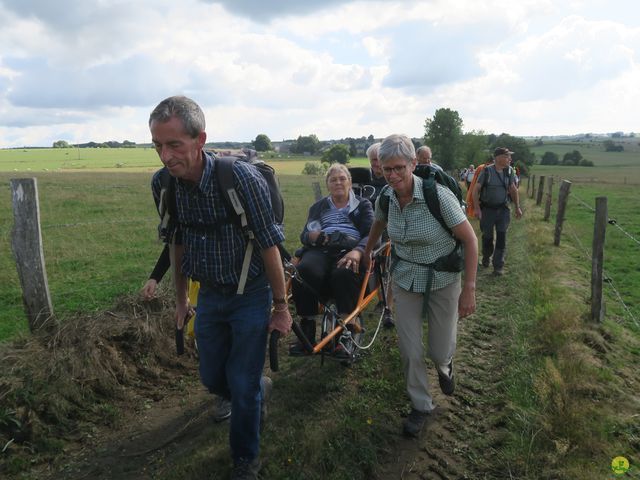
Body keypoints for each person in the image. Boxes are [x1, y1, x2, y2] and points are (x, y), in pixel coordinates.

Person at [148, 95, 292, 479]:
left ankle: (245, 460)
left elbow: (268, 243)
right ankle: (256, 392)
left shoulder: (239, 178)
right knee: (212, 377)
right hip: (209, 295)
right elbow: (176, 243)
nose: (165, 156)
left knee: (241, 383)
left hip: (251, 295)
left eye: (174, 144)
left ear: (200, 140)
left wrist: (281, 308)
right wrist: (180, 301)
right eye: (158, 145)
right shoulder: (164, 185)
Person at [363, 134, 478, 438]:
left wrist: (469, 288)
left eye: (400, 167)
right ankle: (421, 405)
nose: (393, 175)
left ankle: (445, 366)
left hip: (443, 279)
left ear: (414, 164)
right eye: (387, 169)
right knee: (410, 349)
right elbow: (378, 222)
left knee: (438, 350)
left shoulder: (437, 197)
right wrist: (367, 250)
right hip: (405, 279)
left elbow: (470, 239)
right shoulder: (385, 197)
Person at [290, 163, 375, 357]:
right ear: (327, 184)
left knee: (344, 272)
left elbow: (371, 233)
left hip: (349, 249)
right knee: (304, 270)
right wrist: (310, 237)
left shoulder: (362, 205)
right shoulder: (318, 207)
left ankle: (347, 331)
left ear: (350, 182)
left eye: (342, 178)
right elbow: (305, 233)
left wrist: (358, 251)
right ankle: (307, 328)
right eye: (333, 179)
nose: (338, 182)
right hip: (321, 249)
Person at [472, 147, 523, 276]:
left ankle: (498, 266)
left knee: (502, 237)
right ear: (499, 157)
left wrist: (517, 207)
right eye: (507, 156)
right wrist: (477, 209)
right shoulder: (487, 171)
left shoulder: (509, 172)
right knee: (487, 237)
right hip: (488, 210)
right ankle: (486, 256)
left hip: (503, 210)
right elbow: (475, 190)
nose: (510, 159)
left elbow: (513, 189)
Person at [366, 142, 394, 327]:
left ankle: (387, 305)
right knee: (372, 263)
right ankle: (371, 292)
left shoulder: (391, 179)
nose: (376, 164)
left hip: (389, 227)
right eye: (372, 160)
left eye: (378, 160)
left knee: (391, 266)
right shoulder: (362, 178)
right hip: (368, 228)